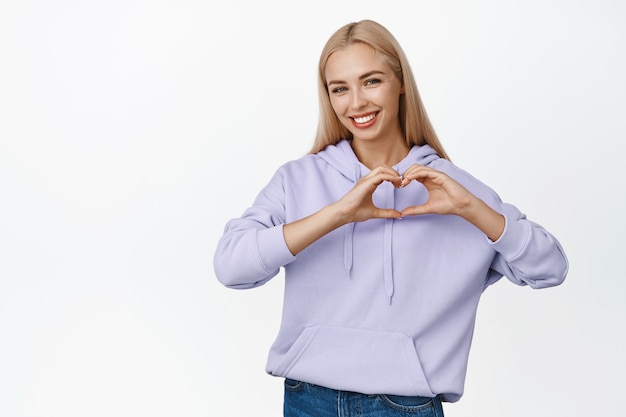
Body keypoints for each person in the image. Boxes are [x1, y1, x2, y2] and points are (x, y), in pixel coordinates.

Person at [213, 19, 568, 417]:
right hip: (306, 400)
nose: (356, 103)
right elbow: (231, 266)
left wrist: (470, 208)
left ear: (401, 83)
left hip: (404, 406)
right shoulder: (298, 179)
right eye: (340, 88)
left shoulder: (452, 190)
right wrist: (337, 214)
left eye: (371, 81)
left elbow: (551, 268)